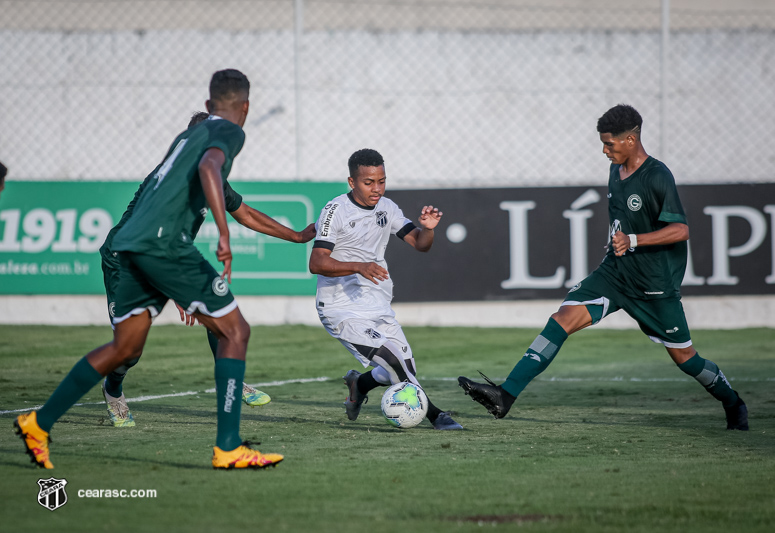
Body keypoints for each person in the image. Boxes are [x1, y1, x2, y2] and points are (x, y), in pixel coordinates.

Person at [14, 69, 286, 470]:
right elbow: (211, 170)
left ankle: (38, 423)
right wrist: (223, 235)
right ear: (244, 107)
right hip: (163, 244)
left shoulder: (184, 139)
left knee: (124, 347)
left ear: (209, 105)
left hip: (130, 244)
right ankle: (228, 447)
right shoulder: (230, 131)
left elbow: (203, 188)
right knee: (235, 330)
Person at [459, 104, 748, 431]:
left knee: (686, 359)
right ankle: (505, 395)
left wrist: (634, 240)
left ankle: (732, 401)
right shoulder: (616, 170)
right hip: (615, 274)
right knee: (560, 320)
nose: (604, 150)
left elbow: (681, 230)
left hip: (654, 286)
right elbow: (621, 223)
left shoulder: (657, 176)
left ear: (631, 139)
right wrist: (618, 243)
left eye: (609, 144)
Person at [98, 111, 315, 427]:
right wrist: (175, 289)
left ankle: (231, 379)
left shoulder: (212, 177)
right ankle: (113, 391)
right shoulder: (167, 181)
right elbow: (147, 242)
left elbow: (246, 214)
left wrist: (295, 236)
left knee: (222, 317)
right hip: (126, 259)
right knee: (129, 349)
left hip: (168, 254)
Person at [309, 148, 463, 430]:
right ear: (352, 182)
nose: (377, 188)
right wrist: (359, 266)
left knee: (402, 368)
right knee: (394, 362)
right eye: (369, 182)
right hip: (340, 308)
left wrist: (428, 229)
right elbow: (317, 263)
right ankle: (436, 415)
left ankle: (360, 383)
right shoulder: (334, 211)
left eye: (381, 181)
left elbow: (420, 243)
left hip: (377, 304)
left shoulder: (388, 208)